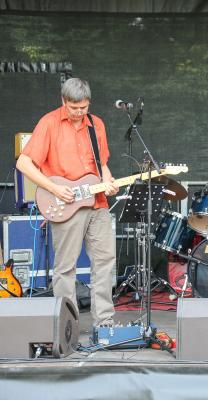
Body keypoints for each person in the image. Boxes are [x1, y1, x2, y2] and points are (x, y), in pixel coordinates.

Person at [16, 78, 118, 326]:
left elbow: (101, 163)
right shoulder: (49, 123)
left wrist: (109, 180)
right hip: (67, 204)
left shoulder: (97, 124)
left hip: (98, 202)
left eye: (83, 107)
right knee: (66, 268)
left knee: (105, 262)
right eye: (74, 108)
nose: (79, 112)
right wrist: (55, 189)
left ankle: (104, 324)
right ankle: (67, 326)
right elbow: (23, 163)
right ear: (63, 101)